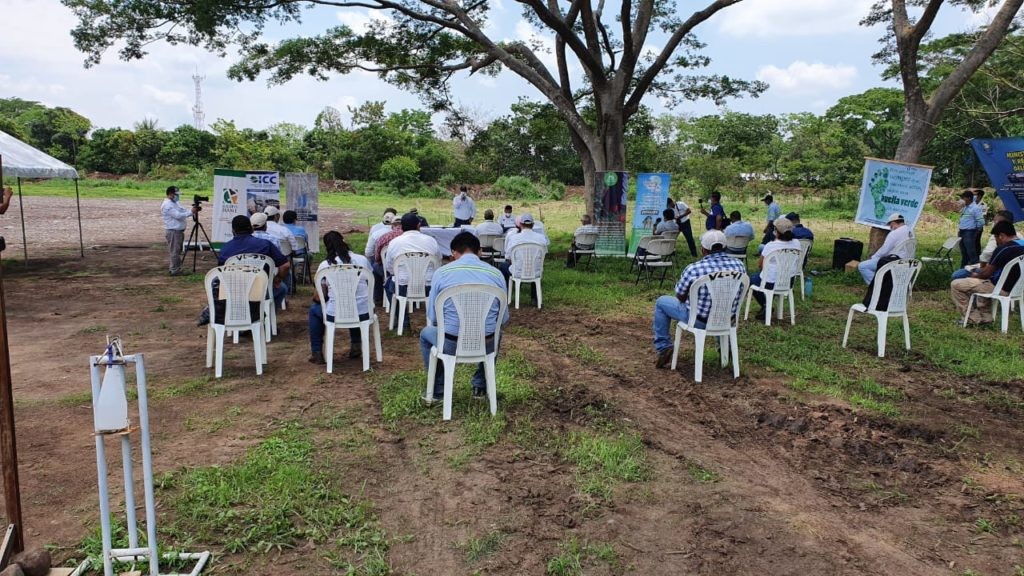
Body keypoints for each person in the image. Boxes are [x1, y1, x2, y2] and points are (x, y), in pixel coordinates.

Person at [419, 231, 509, 402]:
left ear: (453, 253)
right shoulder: (497, 274)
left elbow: (433, 317)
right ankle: (480, 386)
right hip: (486, 343)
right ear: (480, 251)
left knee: (425, 334)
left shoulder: (441, 273)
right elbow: (503, 319)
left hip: (450, 343)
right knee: (496, 333)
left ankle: (438, 390)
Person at [652, 230, 747, 368]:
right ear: (725, 247)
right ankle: (725, 349)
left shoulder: (694, 269)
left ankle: (663, 347)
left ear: (703, 249)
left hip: (699, 321)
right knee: (721, 306)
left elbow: (680, 296)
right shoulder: (739, 265)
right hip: (727, 318)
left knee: (661, 302)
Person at [308, 231, 372, 364]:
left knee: (314, 310)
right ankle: (356, 344)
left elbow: (319, 297)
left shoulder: (325, 265)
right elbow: (368, 282)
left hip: (335, 314)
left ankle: (316, 351)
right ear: (344, 241)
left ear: (327, 247)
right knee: (353, 304)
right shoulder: (362, 260)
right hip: (363, 312)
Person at [951, 220, 1024, 326]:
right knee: (984, 282)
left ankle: (972, 319)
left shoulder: (1004, 249)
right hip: (1018, 289)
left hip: (1000, 289)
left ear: (1001, 236)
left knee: (956, 284)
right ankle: (986, 317)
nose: (996, 242)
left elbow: (986, 274)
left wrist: (974, 275)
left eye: (996, 238)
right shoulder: (1022, 246)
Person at [218, 214, 291, 309]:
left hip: (234, 292)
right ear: (251, 229)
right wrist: (278, 279)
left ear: (233, 231)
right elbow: (285, 265)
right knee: (282, 288)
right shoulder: (265, 244)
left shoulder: (225, 249)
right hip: (262, 290)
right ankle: (267, 312)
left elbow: (221, 273)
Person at [383, 212, 442, 316]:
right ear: (418, 225)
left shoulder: (394, 242)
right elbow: (438, 263)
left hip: (402, 287)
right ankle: (433, 319)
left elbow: (390, 267)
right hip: (428, 286)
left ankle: (402, 320)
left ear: (401, 227)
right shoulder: (431, 241)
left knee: (388, 285)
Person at [749, 217, 802, 320]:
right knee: (767, 278)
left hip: (770, 282)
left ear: (776, 232)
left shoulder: (770, 245)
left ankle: (766, 305)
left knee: (752, 279)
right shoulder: (797, 243)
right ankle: (767, 304)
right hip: (788, 281)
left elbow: (760, 265)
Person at [500, 213, 549, 303]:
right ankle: (535, 298)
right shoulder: (541, 238)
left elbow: (508, 257)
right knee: (534, 264)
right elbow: (544, 254)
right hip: (536, 272)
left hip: (517, 272)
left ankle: (505, 295)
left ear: (521, 225)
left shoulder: (514, 238)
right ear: (533, 225)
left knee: (503, 266)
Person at [952, 210, 1014, 279]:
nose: (993, 224)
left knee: (957, 275)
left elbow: (986, 256)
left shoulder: (999, 240)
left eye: (995, 221)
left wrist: (978, 271)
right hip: (1009, 273)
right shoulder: (1017, 236)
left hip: (996, 273)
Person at [858, 213, 915, 284]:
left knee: (863, 266)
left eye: (890, 225)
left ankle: (876, 286)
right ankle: (884, 283)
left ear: (893, 223)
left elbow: (884, 250)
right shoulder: (911, 231)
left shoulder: (894, 233)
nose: (890, 228)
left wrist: (874, 257)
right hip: (909, 262)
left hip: (895, 262)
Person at [160, 185, 197, 276]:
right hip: (173, 231)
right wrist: (191, 212)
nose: (177, 196)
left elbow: (183, 210)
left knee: (177, 251)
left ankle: (176, 268)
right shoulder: (167, 205)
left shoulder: (175, 203)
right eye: (176, 194)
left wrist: (191, 210)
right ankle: (174, 270)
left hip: (178, 231)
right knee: (175, 251)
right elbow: (178, 215)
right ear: (170, 194)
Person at [371, 217, 404, 305]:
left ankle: (378, 298)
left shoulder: (384, 237)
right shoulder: (409, 238)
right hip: (412, 271)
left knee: (375, 267)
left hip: (390, 271)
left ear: (392, 225)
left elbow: (377, 258)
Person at [957, 189, 985, 267]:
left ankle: (975, 268)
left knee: (971, 252)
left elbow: (981, 222)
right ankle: (963, 268)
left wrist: (976, 230)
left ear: (969, 198)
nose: (962, 200)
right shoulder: (965, 207)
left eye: (963, 198)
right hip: (962, 232)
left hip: (969, 232)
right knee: (964, 252)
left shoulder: (975, 208)